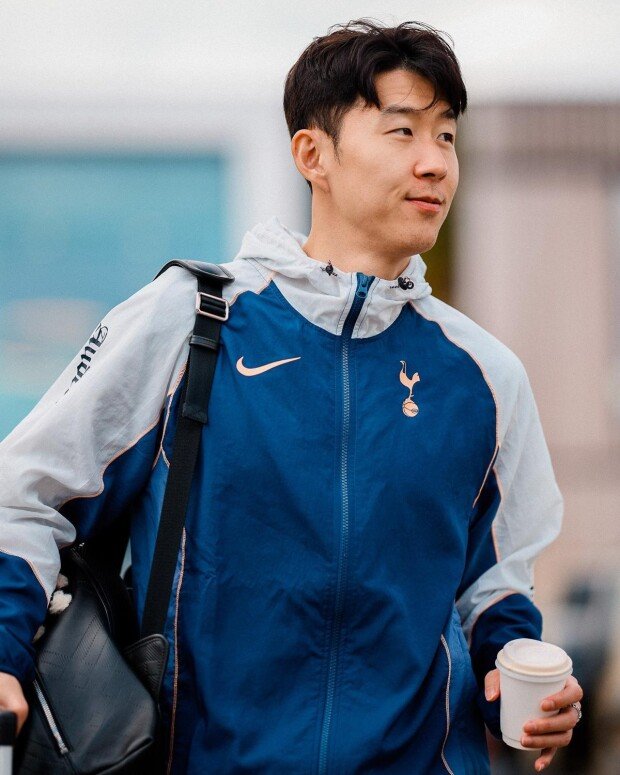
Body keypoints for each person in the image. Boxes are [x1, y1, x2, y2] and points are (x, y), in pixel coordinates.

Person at [0, 18, 583, 774]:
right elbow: (29, 492)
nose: (435, 162)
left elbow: (496, 585)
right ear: (313, 155)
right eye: (402, 131)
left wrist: (514, 672)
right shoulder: (192, 323)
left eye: (446, 135)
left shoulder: (484, 375)